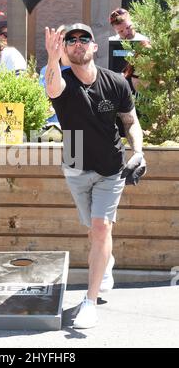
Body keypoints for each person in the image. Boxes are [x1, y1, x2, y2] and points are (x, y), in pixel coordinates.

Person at [45, 23, 145, 328]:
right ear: (65, 48)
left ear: (94, 46)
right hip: (74, 160)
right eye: (71, 40)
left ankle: (89, 302)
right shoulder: (61, 80)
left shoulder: (116, 82)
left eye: (83, 38)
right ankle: (106, 262)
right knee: (93, 229)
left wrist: (138, 151)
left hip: (110, 164)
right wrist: (52, 57)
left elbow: (130, 122)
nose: (78, 43)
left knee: (101, 229)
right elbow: (51, 89)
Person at [39, 24, 70, 127]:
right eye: (60, 40)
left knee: (75, 143)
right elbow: (41, 99)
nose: (64, 44)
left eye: (70, 40)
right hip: (49, 127)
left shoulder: (81, 71)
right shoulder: (45, 70)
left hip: (74, 128)